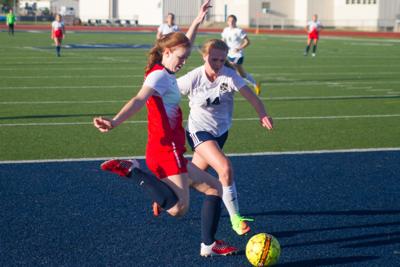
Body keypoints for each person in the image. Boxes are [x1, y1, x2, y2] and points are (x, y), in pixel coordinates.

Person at [93, 0, 238, 257]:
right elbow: (139, 99)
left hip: (171, 149)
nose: (183, 62)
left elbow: (186, 43)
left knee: (214, 188)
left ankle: (209, 245)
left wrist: (198, 19)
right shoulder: (158, 76)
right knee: (179, 209)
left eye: (185, 57)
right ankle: (133, 171)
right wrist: (114, 121)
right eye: (180, 57)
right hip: (165, 149)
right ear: (167, 52)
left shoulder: (166, 70)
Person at [177, 39, 273, 235]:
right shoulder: (193, 78)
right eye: (214, 59)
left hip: (220, 133)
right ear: (204, 56)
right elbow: (166, 92)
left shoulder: (229, 76)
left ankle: (164, 196)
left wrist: (262, 113)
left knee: (191, 176)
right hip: (198, 131)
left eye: (222, 60)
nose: (218, 64)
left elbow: (252, 97)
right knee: (225, 168)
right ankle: (236, 219)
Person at [221, 14, 261, 96]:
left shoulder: (239, 31)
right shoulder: (225, 30)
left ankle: (227, 89)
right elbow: (223, 40)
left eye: (233, 21)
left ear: (235, 21)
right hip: (229, 55)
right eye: (230, 21)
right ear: (227, 22)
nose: (231, 22)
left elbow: (247, 42)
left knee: (232, 67)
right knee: (242, 74)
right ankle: (255, 84)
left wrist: (239, 48)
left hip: (238, 55)